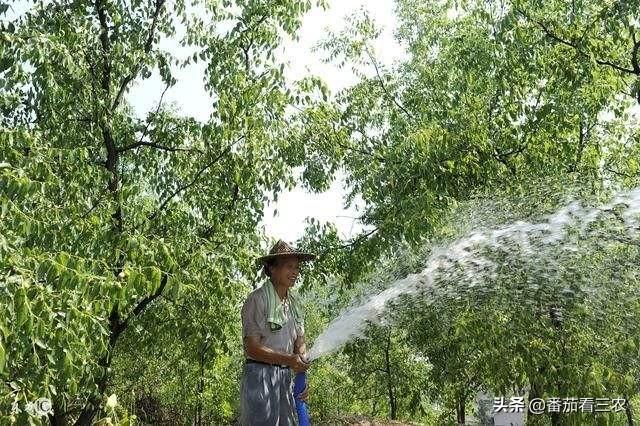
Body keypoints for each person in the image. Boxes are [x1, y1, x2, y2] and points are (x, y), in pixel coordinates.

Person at [239, 239, 315, 425]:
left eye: (297, 267)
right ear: (272, 268)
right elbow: (252, 348)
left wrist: (301, 375)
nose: (295, 272)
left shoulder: (295, 304)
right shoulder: (257, 300)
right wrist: (290, 360)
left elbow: (300, 344)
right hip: (260, 377)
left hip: (285, 378)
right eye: (289, 266)